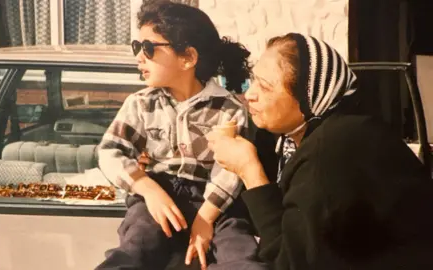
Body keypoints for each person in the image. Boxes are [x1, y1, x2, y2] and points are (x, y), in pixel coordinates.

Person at [206, 32, 433, 269]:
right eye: (253, 80)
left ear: (309, 97)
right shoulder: (294, 136)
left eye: (265, 86)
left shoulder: (332, 152)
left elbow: (290, 264)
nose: (249, 94)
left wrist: (249, 170)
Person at [95, 1, 266, 269]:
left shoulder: (229, 109)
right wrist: (147, 189)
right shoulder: (140, 104)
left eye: (148, 48)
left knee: (240, 253)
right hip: (160, 194)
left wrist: (206, 218)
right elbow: (110, 151)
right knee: (136, 246)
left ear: (188, 57)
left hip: (218, 203)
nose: (139, 56)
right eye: (137, 47)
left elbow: (230, 171)